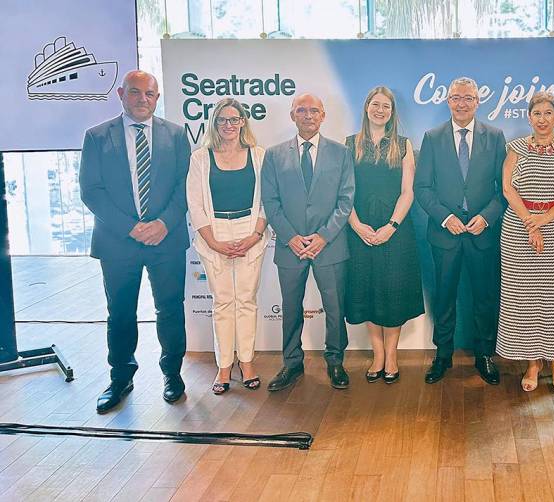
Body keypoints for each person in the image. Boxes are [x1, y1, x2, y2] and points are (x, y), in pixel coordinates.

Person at [80, 70, 191, 412]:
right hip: (118, 242)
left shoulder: (176, 135)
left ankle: (172, 374)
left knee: (170, 309)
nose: (143, 99)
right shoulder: (97, 136)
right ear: (121, 94)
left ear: (158, 97)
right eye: (136, 92)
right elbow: (91, 191)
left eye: (150, 94)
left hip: (166, 239)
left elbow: (186, 186)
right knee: (120, 313)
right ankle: (120, 378)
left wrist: (163, 223)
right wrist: (131, 227)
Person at [414, 77, 507, 385]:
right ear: (448, 101)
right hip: (445, 235)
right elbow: (422, 187)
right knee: (444, 298)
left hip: (483, 234)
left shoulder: (494, 137)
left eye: (468, 98)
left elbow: (503, 189)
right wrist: (445, 217)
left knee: (484, 298)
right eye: (456, 98)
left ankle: (485, 355)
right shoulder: (432, 137)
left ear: (478, 102)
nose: (462, 103)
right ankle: (443, 356)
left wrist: (487, 217)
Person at [261, 93, 355, 391]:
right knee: (290, 308)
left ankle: (335, 361)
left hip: (330, 246)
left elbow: (346, 199)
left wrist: (323, 236)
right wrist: (291, 237)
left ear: (323, 116)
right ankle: (291, 363)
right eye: (301, 110)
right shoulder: (274, 155)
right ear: (292, 116)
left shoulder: (341, 153)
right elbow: (271, 201)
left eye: (314, 110)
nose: (308, 115)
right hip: (291, 248)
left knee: (335, 307)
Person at [497, 91, 554, 393]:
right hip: (520, 229)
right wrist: (530, 224)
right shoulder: (516, 148)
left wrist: (543, 221)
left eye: (548, 113)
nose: (543, 119)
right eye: (537, 113)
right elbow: (508, 189)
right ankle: (532, 362)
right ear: (529, 117)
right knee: (525, 300)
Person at [186, 98, 268, 395]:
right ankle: (223, 366)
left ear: (243, 122)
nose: (229, 125)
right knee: (223, 302)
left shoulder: (258, 155)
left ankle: (246, 363)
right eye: (223, 120)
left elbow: (267, 200)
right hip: (214, 233)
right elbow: (195, 204)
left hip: (250, 231)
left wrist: (255, 235)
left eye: (234, 120)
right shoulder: (201, 158)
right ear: (214, 124)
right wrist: (214, 242)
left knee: (246, 300)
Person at [345, 86, 424, 384]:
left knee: (392, 294)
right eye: (375, 104)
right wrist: (356, 224)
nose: (380, 110)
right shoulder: (350, 144)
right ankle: (376, 354)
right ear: (366, 107)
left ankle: (392, 355)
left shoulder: (403, 145)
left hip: (395, 230)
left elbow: (408, 192)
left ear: (392, 112)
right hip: (360, 229)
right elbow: (345, 192)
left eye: (386, 106)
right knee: (367, 290)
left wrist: (391, 226)